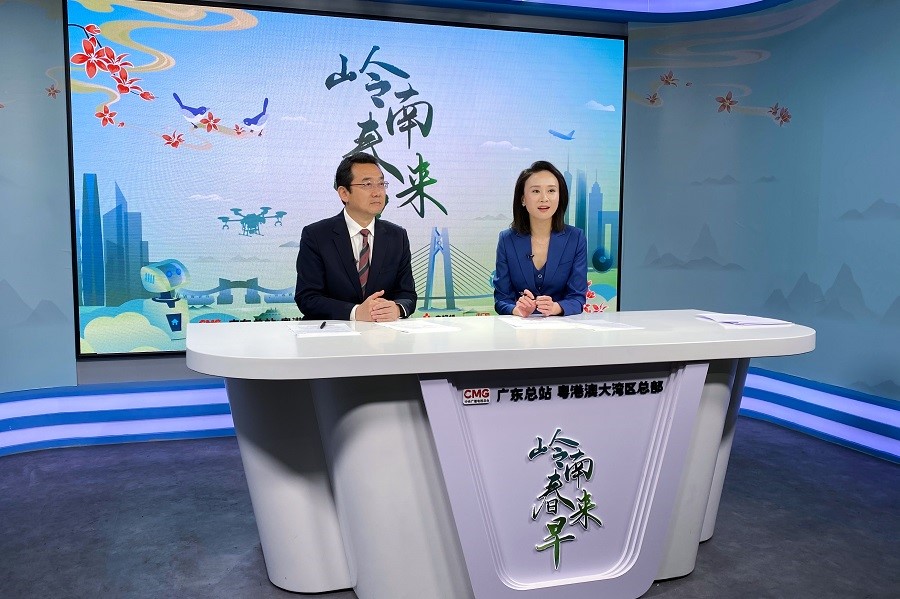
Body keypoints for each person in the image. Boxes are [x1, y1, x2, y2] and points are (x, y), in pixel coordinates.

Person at [294, 153, 416, 321]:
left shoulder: (397, 236)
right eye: (367, 184)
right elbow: (307, 298)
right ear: (344, 193)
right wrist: (355, 312)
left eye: (381, 184)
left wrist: (396, 308)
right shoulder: (316, 235)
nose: (377, 192)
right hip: (333, 333)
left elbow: (407, 294)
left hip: (382, 333)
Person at [493, 160, 587, 317]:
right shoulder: (507, 240)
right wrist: (518, 309)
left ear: (560, 196)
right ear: (523, 199)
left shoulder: (576, 239)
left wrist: (555, 307)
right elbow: (501, 299)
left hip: (562, 327)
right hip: (520, 327)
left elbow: (577, 298)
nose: (544, 198)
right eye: (536, 191)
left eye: (551, 191)